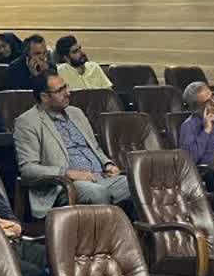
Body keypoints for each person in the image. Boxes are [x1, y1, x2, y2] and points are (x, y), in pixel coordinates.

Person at [13, 72, 131, 218]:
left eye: (66, 87)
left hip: (101, 177)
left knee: (137, 184)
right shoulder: (27, 122)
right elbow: (28, 169)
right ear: (44, 97)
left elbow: (95, 148)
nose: (68, 93)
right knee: (97, 192)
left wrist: (108, 164)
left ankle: (135, 231)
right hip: (65, 186)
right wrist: (67, 173)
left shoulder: (76, 113)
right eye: (60, 90)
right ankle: (105, 233)